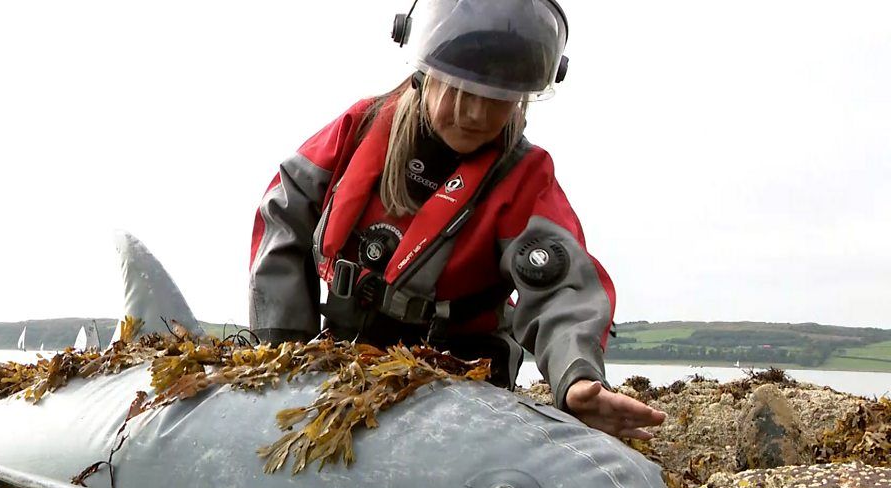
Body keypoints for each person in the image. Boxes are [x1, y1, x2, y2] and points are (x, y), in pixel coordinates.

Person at [249, 0, 664, 439]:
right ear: (424, 74)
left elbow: (563, 286)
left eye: (498, 99)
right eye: (461, 91)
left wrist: (575, 375)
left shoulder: (524, 180)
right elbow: (283, 215)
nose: (475, 115)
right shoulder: (359, 130)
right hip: (344, 356)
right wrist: (283, 353)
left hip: (464, 372)